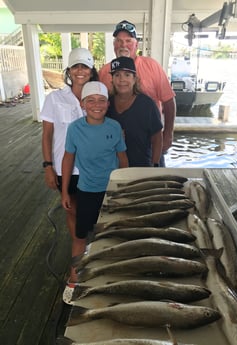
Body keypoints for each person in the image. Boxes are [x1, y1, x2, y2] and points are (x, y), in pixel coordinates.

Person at [61, 81, 128, 302]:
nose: (96, 105)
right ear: (83, 104)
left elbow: (122, 158)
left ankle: (111, 275)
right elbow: (68, 159)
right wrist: (64, 192)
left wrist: (124, 187)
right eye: (91, 101)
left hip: (111, 190)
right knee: (80, 236)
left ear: (107, 104)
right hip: (87, 190)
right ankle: (74, 277)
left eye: (101, 101)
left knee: (113, 233)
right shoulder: (75, 128)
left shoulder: (114, 128)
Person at [40, 47, 98, 294]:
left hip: (92, 169)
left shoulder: (97, 98)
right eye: (76, 67)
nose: (80, 71)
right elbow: (47, 135)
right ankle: (76, 269)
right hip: (65, 169)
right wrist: (47, 167)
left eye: (85, 66)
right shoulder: (55, 99)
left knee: (93, 215)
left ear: (91, 71)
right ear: (69, 71)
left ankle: (92, 258)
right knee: (73, 214)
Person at [99, 20, 176, 166]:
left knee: (153, 181)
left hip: (151, 142)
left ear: (136, 45)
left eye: (128, 40)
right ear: (114, 45)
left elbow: (168, 101)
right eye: (119, 41)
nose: (123, 45)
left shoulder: (152, 66)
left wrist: (168, 134)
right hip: (115, 146)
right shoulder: (104, 71)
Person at [107, 56, 163, 167]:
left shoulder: (147, 104)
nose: (122, 79)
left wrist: (155, 165)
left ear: (134, 79)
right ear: (112, 79)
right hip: (112, 168)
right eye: (117, 75)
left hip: (141, 168)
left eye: (127, 75)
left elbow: (157, 137)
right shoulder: (106, 104)